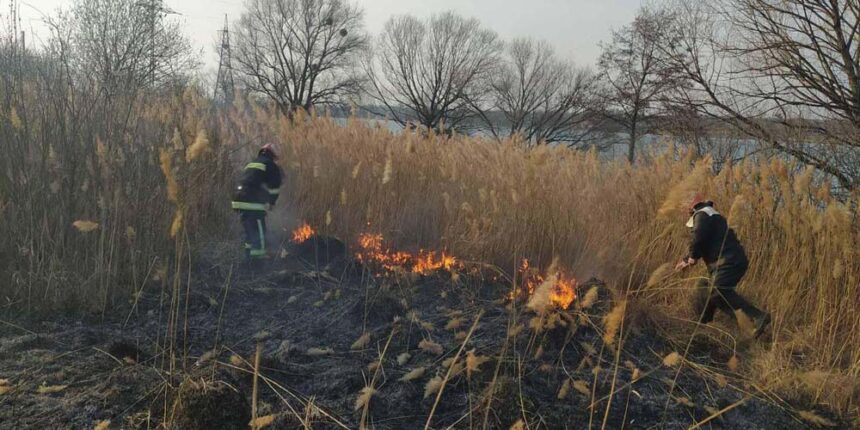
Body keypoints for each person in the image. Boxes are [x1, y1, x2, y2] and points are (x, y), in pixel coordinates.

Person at [675, 196, 771, 338]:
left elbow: (698, 238)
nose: (685, 210)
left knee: (718, 290)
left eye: (686, 206)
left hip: (728, 261)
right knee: (705, 286)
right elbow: (703, 242)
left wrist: (692, 258)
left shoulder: (702, 214)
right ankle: (702, 326)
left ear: (693, 205)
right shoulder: (709, 214)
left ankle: (757, 317)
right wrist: (687, 259)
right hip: (728, 261)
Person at [231, 143, 282, 265]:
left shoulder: (252, 163)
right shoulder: (270, 165)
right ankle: (258, 261)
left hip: (238, 200)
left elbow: (250, 180)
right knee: (259, 232)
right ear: (273, 155)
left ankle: (248, 259)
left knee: (250, 232)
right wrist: (272, 202)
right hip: (251, 202)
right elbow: (275, 188)